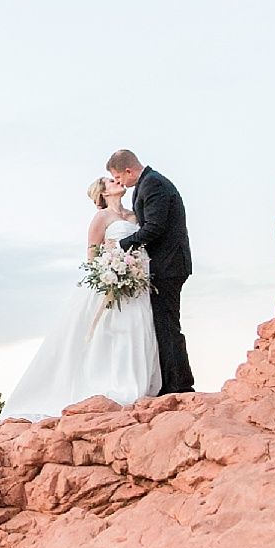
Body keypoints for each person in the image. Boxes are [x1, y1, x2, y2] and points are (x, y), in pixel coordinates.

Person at [0, 175, 161, 422]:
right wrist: (110, 270)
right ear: (103, 192)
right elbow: (92, 251)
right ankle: (112, 383)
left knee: (139, 326)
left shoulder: (135, 215)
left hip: (138, 281)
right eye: (111, 181)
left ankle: (138, 384)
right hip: (112, 281)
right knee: (112, 329)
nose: (117, 181)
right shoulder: (101, 218)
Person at [109, 149, 195, 394]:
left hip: (168, 264)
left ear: (128, 170)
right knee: (162, 324)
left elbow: (155, 228)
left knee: (167, 325)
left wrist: (122, 246)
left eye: (119, 177)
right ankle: (171, 382)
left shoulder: (154, 184)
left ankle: (179, 385)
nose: (120, 183)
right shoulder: (148, 183)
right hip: (163, 264)